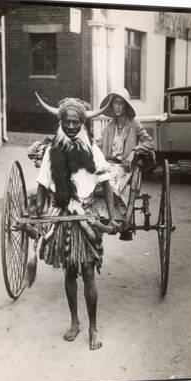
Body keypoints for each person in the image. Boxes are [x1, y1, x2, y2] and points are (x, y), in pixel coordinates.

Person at [33, 93, 117, 350]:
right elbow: (42, 186)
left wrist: (112, 218)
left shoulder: (92, 150)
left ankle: (93, 327)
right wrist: (37, 213)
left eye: (75, 122)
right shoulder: (51, 153)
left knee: (89, 272)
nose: (70, 127)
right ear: (60, 122)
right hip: (63, 217)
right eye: (66, 122)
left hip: (87, 217)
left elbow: (106, 184)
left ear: (83, 123)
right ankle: (74, 322)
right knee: (69, 272)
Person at [98, 88, 155, 239]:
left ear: (126, 106)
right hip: (108, 165)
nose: (117, 106)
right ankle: (102, 215)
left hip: (126, 168)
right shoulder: (109, 128)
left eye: (120, 103)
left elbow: (149, 142)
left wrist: (134, 151)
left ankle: (120, 218)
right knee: (98, 180)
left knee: (110, 183)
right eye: (115, 103)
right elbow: (99, 145)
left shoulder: (134, 125)